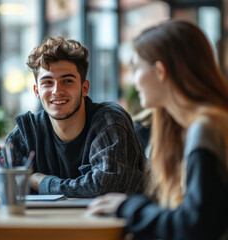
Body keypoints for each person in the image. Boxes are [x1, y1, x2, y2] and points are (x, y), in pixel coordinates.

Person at [86, 20, 228, 240]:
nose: (133, 81)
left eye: (136, 68)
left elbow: (195, 226)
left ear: (160, 70)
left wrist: (127, 207)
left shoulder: (205, 128)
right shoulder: (201, 124)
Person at [0, 37, 146, 198]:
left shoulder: (108, 121)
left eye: (67, 81)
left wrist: (40, 182)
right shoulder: (28, 131)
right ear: (36, 91)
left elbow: (107, 186)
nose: (57, 91)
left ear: (84, 88)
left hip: (110, 222)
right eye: (47, 82)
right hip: (47, 223)